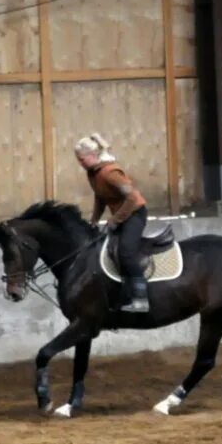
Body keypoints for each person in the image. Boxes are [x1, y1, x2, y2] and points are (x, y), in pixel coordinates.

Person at [74, 133, 149, 313]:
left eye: (82, 159)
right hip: (122, 215)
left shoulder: (110, 173)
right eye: (79, 160)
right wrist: (93, 220)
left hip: (135, 213)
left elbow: (132, 198)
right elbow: (100, 197)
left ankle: (141, 299)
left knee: (126, 252)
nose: (80, 163)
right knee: (108, 250)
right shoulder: (93, 173)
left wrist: (115, 220)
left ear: (92, 155)